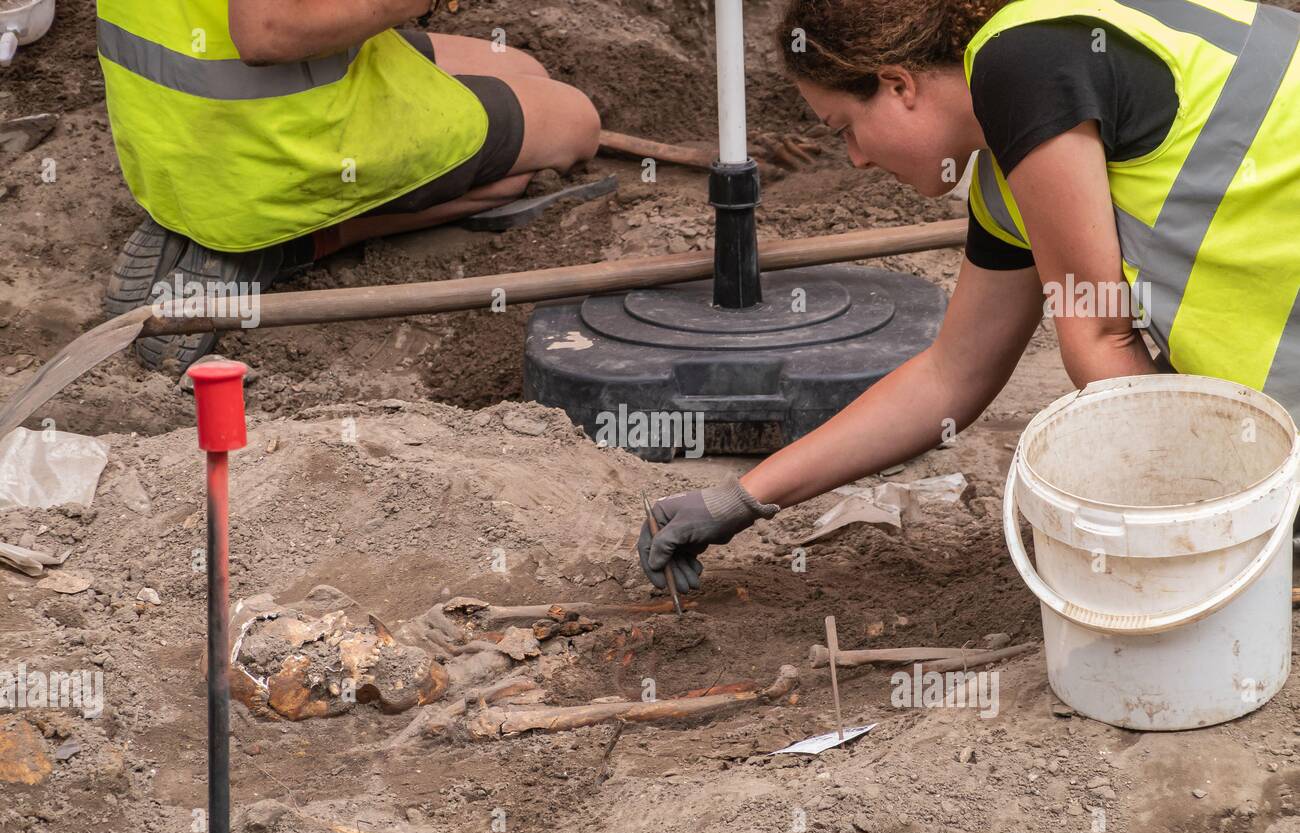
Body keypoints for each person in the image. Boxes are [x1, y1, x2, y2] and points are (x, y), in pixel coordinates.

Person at [638, 0, 1300, 593]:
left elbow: (1101, 340)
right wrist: (741, 497)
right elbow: (950, 376)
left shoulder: (1023, 64)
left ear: (898, 85)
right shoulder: (1020, 149)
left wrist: (1217, 536)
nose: (858, 159)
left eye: (843, 128)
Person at [96, 0, 601, 369]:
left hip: (172, 129)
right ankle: (285, 244)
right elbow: (267, 31)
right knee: (574, 123)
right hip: (269, 140)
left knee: (522, 70)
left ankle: (200, 219)